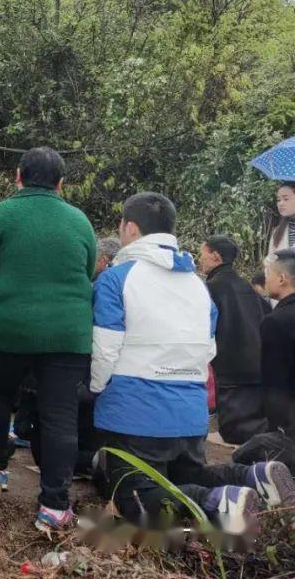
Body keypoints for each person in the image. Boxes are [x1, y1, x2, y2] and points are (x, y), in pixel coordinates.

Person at [92, 193, 295, 535]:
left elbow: (105, 349)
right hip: (190, 412)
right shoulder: (197, 285)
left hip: (136, 413)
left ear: (129, 228)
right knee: (187, 474)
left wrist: (96, 389)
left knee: (135, 499)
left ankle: (218, 503)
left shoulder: (117, 278)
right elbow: (208, 350)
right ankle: (251, 477)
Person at [0, 146, 96, 530]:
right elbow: (87, 271)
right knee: (59, 415)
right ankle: (54, 505)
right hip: (67, 334)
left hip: (9, 329)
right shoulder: (79, 220)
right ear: (61, 183)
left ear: (18, 177)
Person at [199, 235, 270, 444]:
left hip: (228, 365)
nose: (199, 260)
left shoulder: (210, 288)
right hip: (257, 363)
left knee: (234, 429)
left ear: (215, 256)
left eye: (202, 254)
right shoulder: (246, 287)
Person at [261, 249, 295, 433]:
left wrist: (277, 426)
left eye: (269, 274)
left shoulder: (275, 321)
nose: (266, 280)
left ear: (282, 279)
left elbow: (275, 383)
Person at [268, 182, 295, 255]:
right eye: (278, 200)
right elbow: (271, 260)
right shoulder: (277, 231)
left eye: (286, 199)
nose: (281, 203)